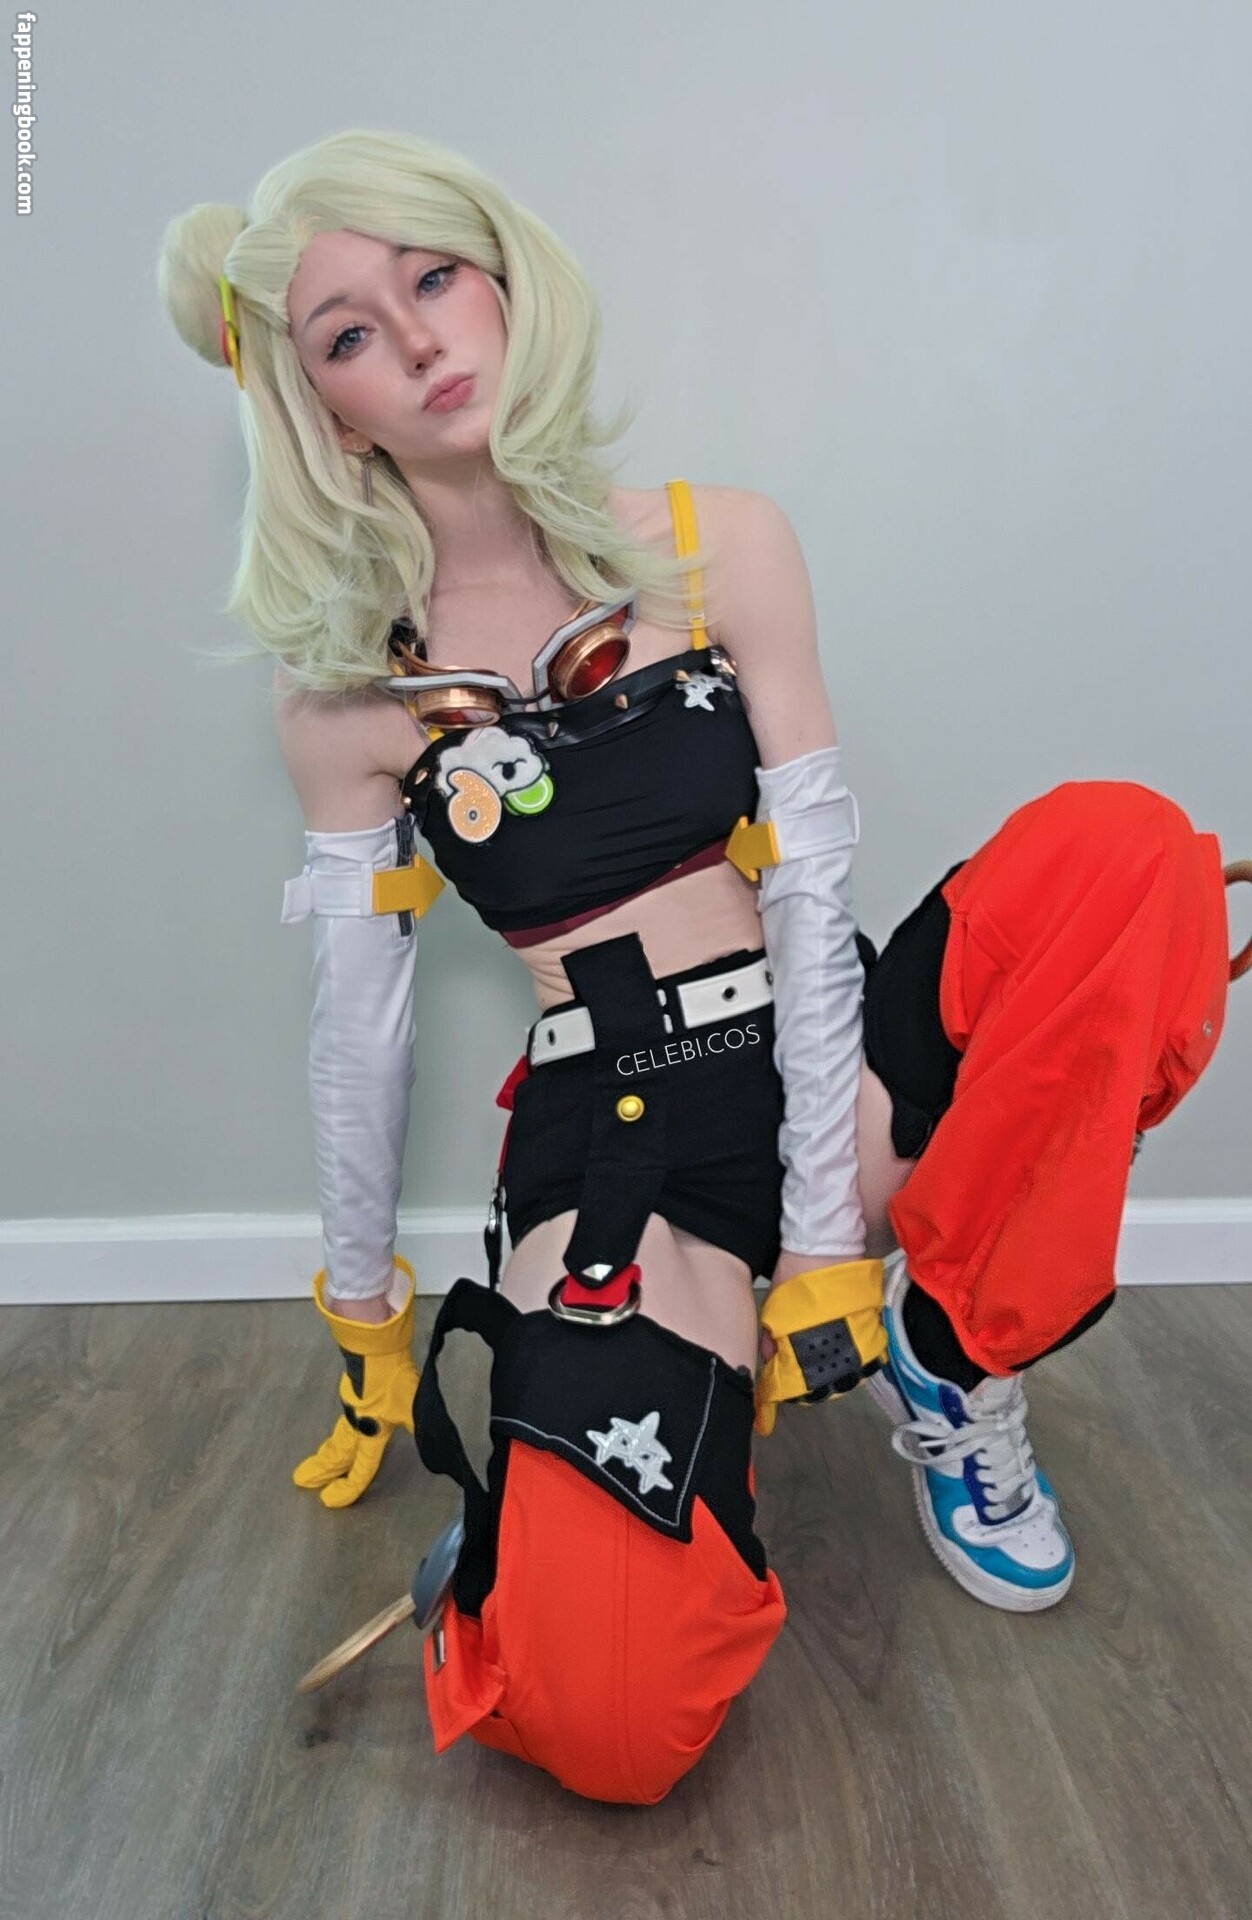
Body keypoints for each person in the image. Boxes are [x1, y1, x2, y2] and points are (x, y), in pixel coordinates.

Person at [156, 128, 1246, 1803]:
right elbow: (358, 1033)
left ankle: (951, 1359)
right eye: (352, 332)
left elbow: (815, 891)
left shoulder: (714, 543)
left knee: (1129, 855)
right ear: (327, 407)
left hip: (819, 1061)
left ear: (507, 284)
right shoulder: (343, 698)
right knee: (604, 1720)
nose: (421, 338)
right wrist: (364, 1310)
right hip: (614, 1144)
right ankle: (594, 1506)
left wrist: (821, 1246)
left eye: (435, 277)